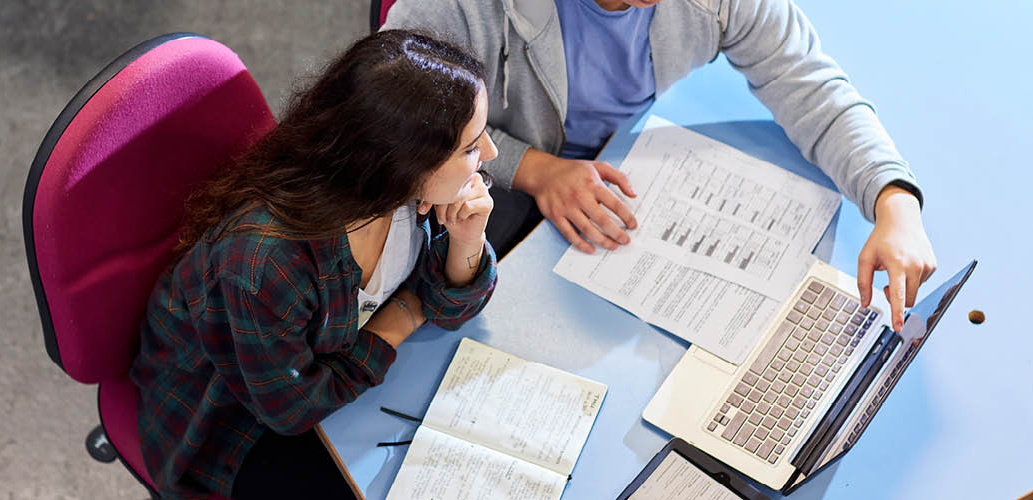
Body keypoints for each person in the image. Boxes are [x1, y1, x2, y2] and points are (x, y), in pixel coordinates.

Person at [382, 0, 937, 331]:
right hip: (475, 176)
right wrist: (535, 169)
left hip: (611, 170)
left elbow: (810, 86)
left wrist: (894, 202)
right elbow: (396, 114)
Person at [129, 29, 499, 499]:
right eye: (470, 147)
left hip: (336, 374)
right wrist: (402, 316)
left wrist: (469, 238)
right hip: (229, 423)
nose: (489, 154)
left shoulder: (407, 197)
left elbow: (448, 307)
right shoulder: (264, 262)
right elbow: (292, 408)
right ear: (403, 162)